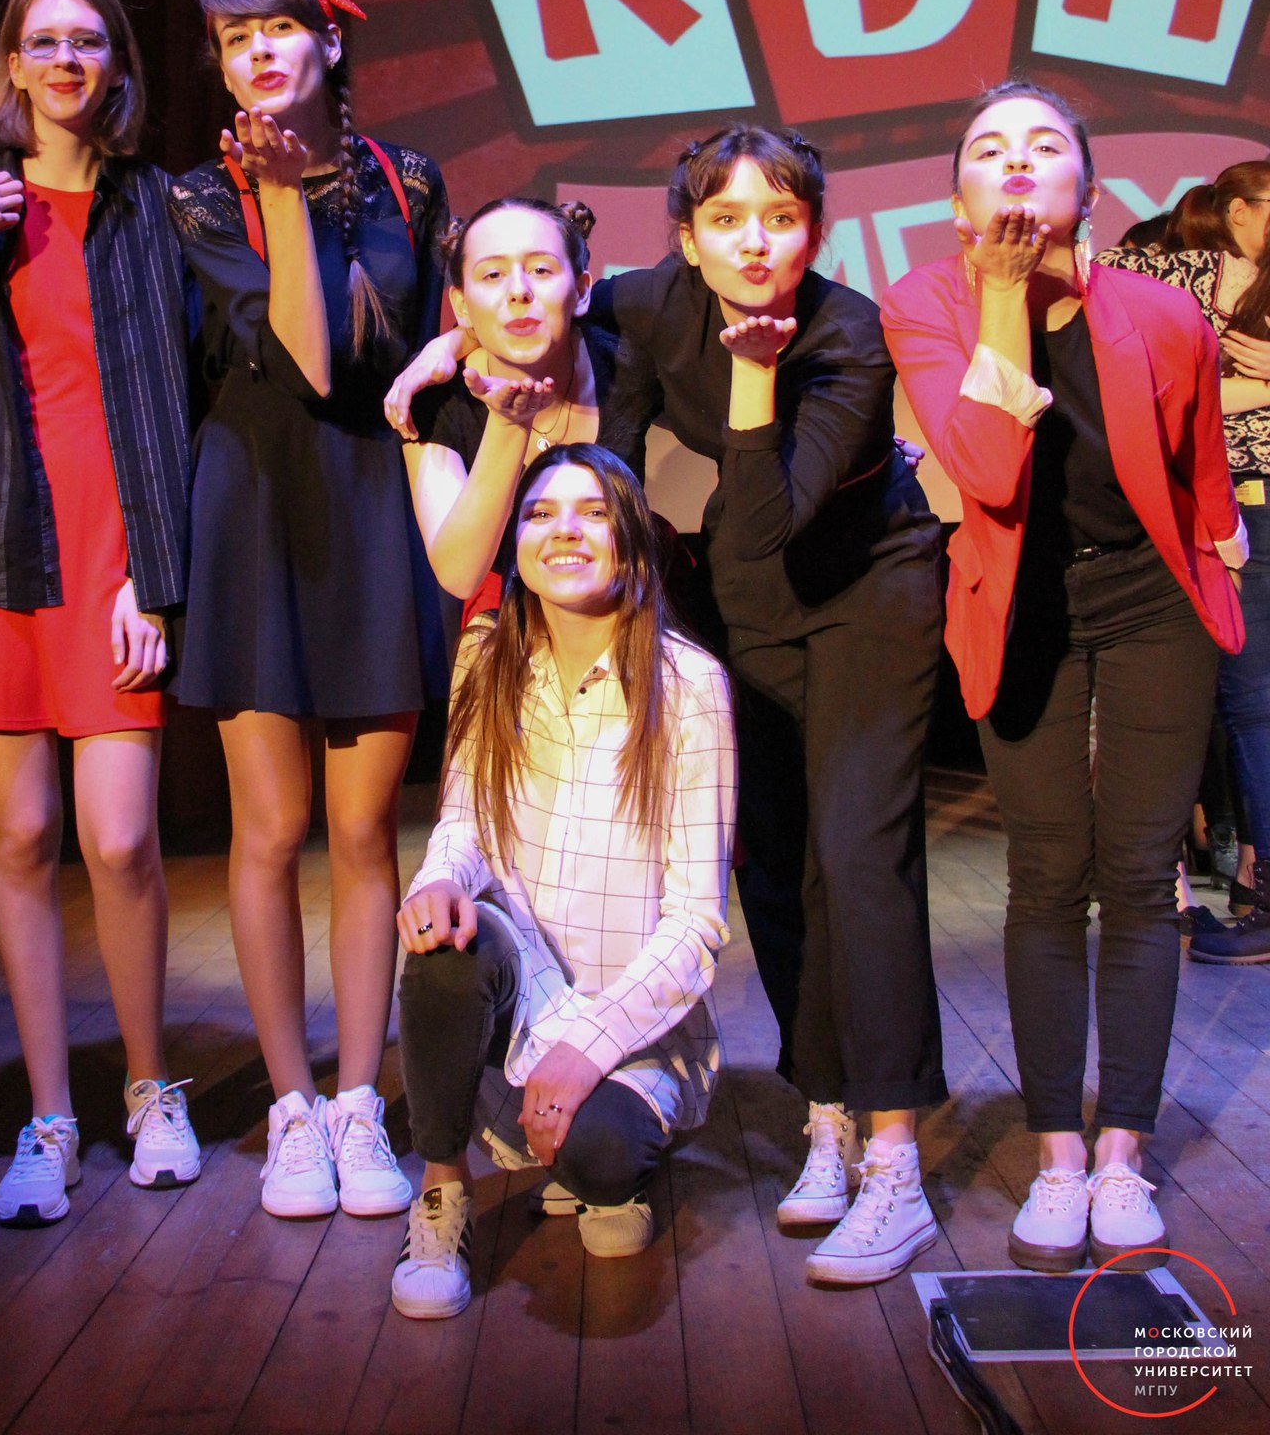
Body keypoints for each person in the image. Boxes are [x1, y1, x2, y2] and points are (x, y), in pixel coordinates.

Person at [389, 127, 948, 1287]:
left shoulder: (848, 331)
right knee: (778, 862)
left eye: (780, 217)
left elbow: (768, 516)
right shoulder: (645, 303)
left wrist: (753, 373)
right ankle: (826, 1116)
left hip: (863, 584)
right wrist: (444, 350)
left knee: (859, 854)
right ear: (686, 241)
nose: (755, 242)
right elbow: (539, 319)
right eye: (726, 220)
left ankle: (894, 1154)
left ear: (816, 230)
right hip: (751, 598)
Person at [881, 82, 1245, 1273]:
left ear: (1089, 187)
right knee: (1046, 877)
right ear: (957, 200)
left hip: (1150, 602)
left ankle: (1123, 1150)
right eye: (990, 149)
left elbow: (1197, 467)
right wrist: (1000, 291)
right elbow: (988, 472)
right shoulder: (926, 302)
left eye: (1046, 146)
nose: (1019, 163)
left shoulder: (1163, 314)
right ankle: (1056, 1156)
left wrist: (1221, 554)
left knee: (1139, 878)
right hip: (1021, 602)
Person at [0, 0, 200, 1226]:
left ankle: (151, 1091)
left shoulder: (157, 207)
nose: (68, 60)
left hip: (116, 561)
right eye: (46, 41)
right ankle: (51, 1115)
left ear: (115, 64)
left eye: (90, 41)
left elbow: (181, 401)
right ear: (12, 64)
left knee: (119, 840)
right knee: (20, 839)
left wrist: (158, 576)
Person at [168, 0, 448, 1221]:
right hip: (254, 511)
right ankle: (291, 1106)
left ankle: (357, 1101)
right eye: (237, 42)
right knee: (271, 830)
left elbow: (410, 354)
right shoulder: (199, 198)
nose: (260, 54)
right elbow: (298, 356)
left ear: (330, 43)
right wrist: (280, 201)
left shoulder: (408, 179)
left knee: (363, 830)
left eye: (280, 29)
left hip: (372, 502)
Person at [389, 444, 736, 1319]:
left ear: (632, 540)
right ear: (516, 545)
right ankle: (442, 1191)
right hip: (526, 990)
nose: (564, 531)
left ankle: (599, 1163)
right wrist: (438, 880)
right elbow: (463, 822)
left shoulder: (690, 686)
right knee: (440, 952)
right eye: (540, 514)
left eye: (592, 512)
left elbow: (697, 925)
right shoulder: (489, 658)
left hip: (628, 1024)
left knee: (602, 1158)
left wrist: (588, 1049)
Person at [1102, 160, 1270, 961]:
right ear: (1238, 213)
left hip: (1244, 505)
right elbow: (1098, 277)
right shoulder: (1191, 275)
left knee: (1253, 707)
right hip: (1231, 508)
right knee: (1244, 707)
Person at [402, 196, 654, 619]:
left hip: (624, 608)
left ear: (581, 290)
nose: (519, 291)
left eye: (540, 270)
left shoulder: (627, 365)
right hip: (509, 620)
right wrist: (507, 423)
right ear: (461, 305)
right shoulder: (435, 394)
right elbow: (459, 574)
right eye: (493, 274)